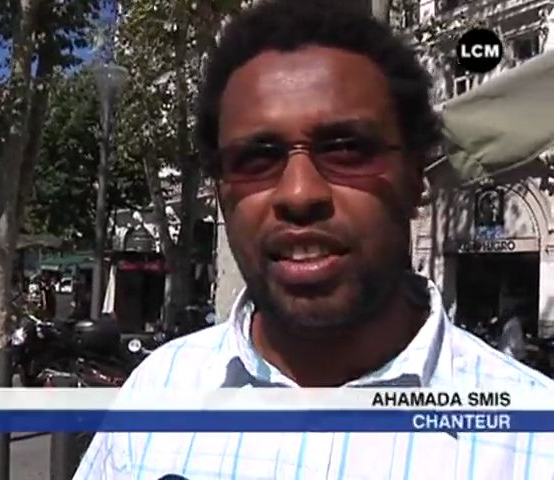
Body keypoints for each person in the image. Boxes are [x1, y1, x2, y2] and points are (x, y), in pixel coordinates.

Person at [75, 1, 554, 478]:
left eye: (347, 150)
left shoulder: (534, 437)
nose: (300, 193)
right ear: (221, 195)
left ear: (415, 178)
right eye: (256, 159)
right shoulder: (154, 401)